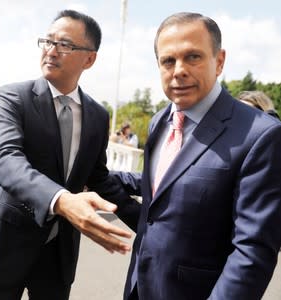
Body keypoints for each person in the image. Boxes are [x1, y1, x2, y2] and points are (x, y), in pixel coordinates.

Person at [0, 10, 139, 300]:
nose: (51, 50)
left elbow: (98, 179)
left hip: (59, 254)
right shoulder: (13, 97)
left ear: (90, 58)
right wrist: (62, 200)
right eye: (47, 41)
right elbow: (6, 158)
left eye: (64, 44)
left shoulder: (97, 115)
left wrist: (145, 224)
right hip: (6, 245)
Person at [113, 12, 281, 300]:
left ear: (219, 61)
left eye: (193, 57)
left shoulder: (260, 135)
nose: (178, 70)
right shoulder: (159, 122)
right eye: (168, 61)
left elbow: (252, 252)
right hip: (140, 287)